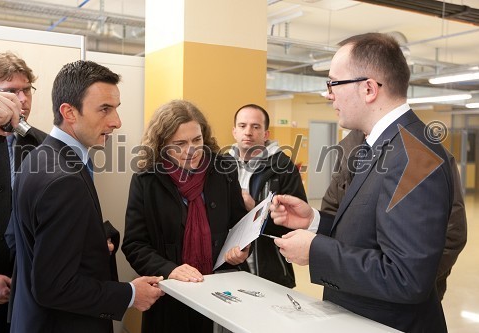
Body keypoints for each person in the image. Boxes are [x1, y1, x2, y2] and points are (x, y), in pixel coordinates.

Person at [269, 33, 454, 333]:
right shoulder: (380, 146)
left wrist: (316, 251)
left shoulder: (414, 156)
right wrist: (314, 222)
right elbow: (370, 235)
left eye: (333, 83)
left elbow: (406, 277)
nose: (329, 94)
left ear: (368, 89)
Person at [7, 60, 164, 333]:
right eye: (105, 109)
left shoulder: (38, 157)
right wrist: (129, 294)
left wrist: (92, 242)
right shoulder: (64, 180)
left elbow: (34, 244)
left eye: (115, 108)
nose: (116, 121)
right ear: (69, 112)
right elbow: (53, 287)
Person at [122, 99, 250, 333]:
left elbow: (240, 225)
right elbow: (134, 244)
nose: (191, 150)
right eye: (179, 143)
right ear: (162, 145)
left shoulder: (225, 169)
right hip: (169, 295)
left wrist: (242, 249)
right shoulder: (146, 179)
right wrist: (170, 269)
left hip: (221, 292)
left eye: (196, 140)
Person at [321, 129, 467, 300]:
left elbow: (453, 233)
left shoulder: (421, 154)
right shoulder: (349, 151)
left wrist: (411, 280)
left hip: (400, 302)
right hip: (348, 290)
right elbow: (333, 212)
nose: (331, 100)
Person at [0, 52, 46, 333]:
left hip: (30, 292)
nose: (23, 100)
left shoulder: (42, 143)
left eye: (26, 89)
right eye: (10, 92)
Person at [227, 103, 307, 288]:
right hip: (228, 268)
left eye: (255, 127)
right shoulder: (220, 166)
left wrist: (255, 208)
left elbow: (295, 225)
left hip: (271, 271)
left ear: (265, 134)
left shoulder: (284, 167)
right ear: (234, 131)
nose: (248, 132)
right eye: (242, 126)